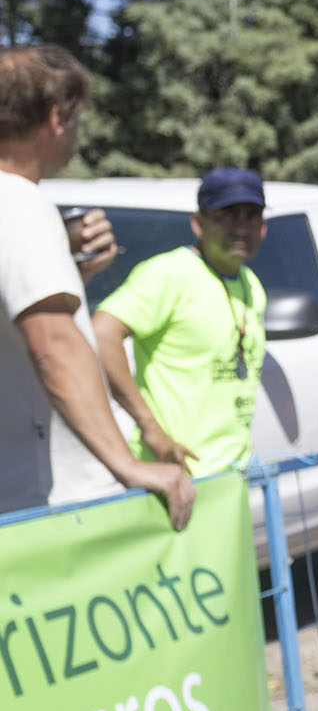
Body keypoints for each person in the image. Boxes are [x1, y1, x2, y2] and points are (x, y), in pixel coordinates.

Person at [0, 44, 193, 527]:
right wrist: (127, 464)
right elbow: (54, 343)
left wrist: (69, 269)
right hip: (45, 503)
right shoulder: (21, 204)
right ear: (56, 119)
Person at [92, 168, 269, 474]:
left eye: (251, 215)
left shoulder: (252, 284)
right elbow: (102, 332)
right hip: (177, 475)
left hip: (232, 473)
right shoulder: (169, 273)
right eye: (227, 214)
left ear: (263, 227)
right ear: (198, 223)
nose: (241, 227)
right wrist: (151, 428)